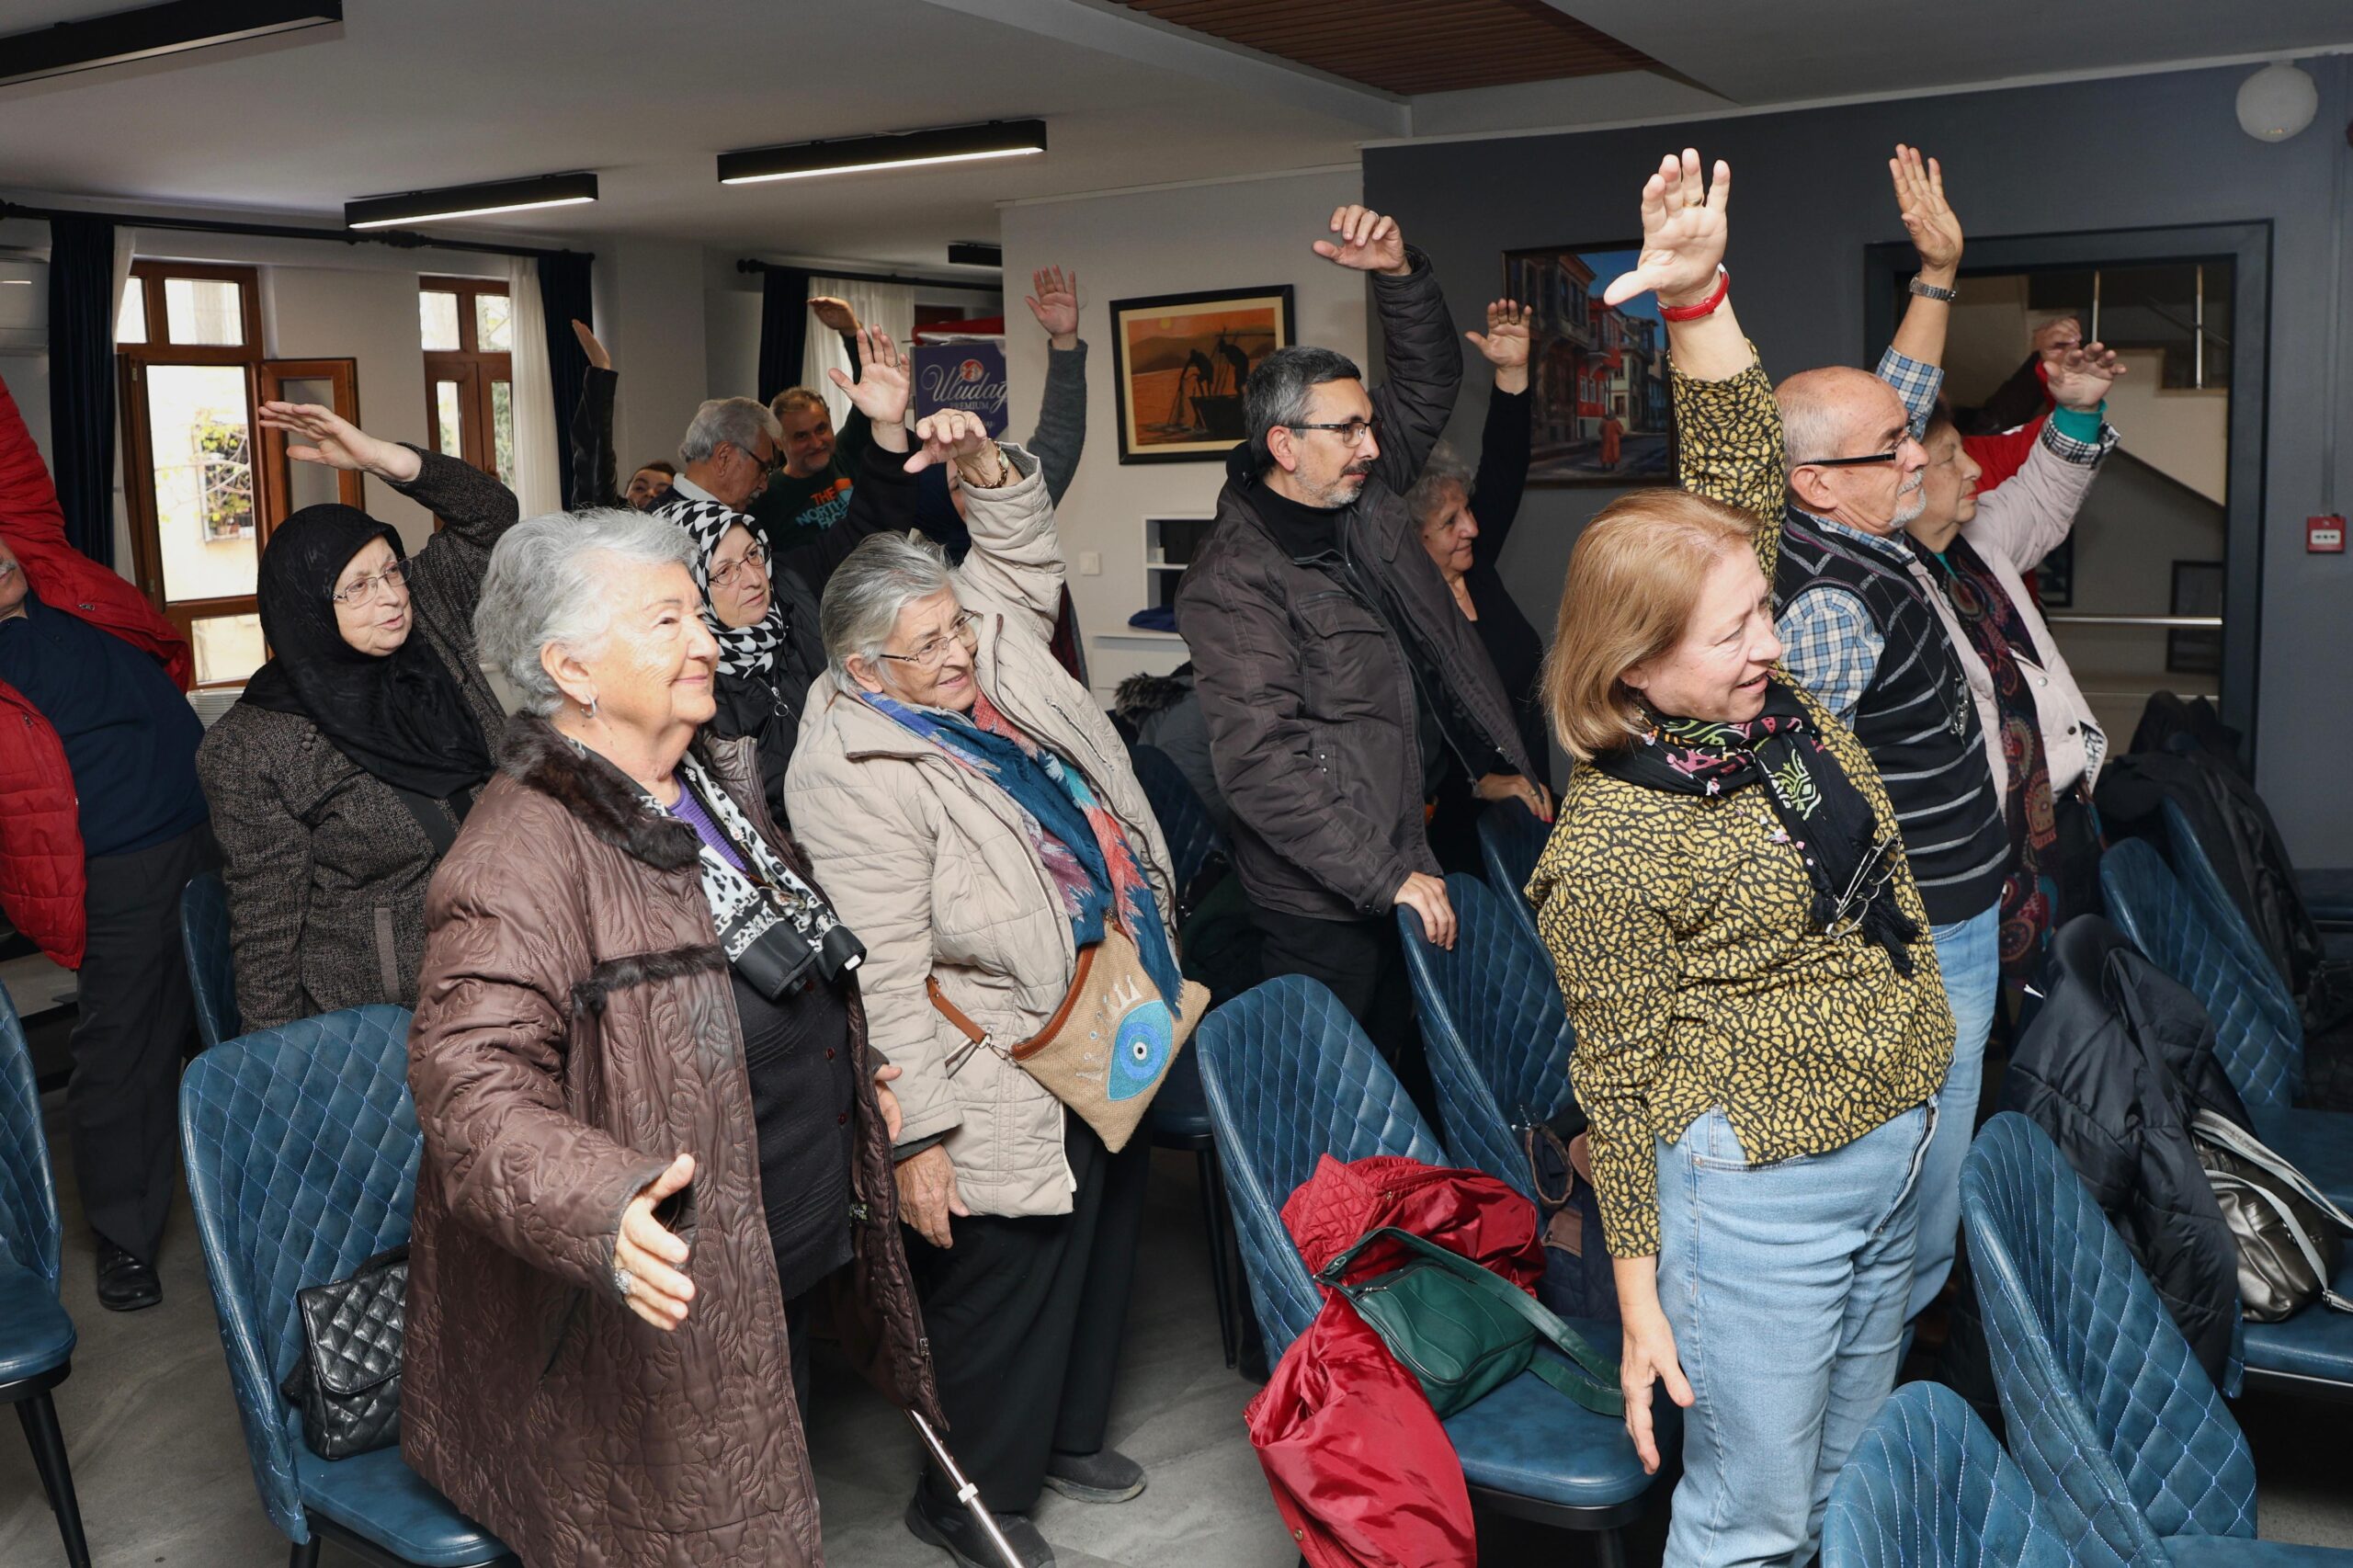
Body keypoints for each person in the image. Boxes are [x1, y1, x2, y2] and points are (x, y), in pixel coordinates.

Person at [1530, 147, 1952, 1568]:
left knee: (1847, 1480)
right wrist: (1644, 1297)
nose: (1775, 642)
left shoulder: (1768, 710)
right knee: (1750, 1522)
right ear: (1637, 664)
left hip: (1890, 1138)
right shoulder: (1610, 842)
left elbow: (1728, 469)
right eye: (1737, 631)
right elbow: (1621, 1078)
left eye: (1766, 607)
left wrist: (1698, 293)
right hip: (1761, 1193)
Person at [404, 506, 938, 1568]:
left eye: (697, 611)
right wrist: (600, 1200)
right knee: (693, 1523)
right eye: (666, 620)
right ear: (572, 668)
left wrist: (856, 1064)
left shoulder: (702, 785)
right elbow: (471, 1091)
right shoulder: (518, 850)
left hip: (768, 1233)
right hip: (660, 1274)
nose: (706, 638)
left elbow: (786, 954)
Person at [788, 412, 1181, 1568]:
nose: (962, 651)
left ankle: (1064, 1435)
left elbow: (1016, 556)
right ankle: (967, 1494)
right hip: (995, 1052)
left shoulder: (978, 652)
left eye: (959, 626)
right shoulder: (849, 764)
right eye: (931, 644)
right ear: (867, 671)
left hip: (1107, 1001)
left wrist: (991, 471)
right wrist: (922, 1138)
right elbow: (885, 970)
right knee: (1005, 1276)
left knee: (1102, 1224)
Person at [1670, 146, 2002, 1329]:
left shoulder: (1859, 515)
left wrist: (1937, 274)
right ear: (1811, 484)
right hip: (1923, 945)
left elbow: (1879, 406)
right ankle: (1884, 1416)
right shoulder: (1822, 602)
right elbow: (1793, 787)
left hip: (1960, 918)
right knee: (1917, 1198)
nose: (1922, 450)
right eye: (1896, 449)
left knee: (1931, 1177)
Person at [1176, 204, 1533, 1080]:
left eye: (1369, 425)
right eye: (1350, 431)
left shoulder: (1359, 499)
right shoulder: (1234, 580)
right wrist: (1383, 878)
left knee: (1428, 1079)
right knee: (1346, 1117)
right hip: (1327, 901)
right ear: (1283, 445)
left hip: (1411, 846)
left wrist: (1401, 277)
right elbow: (1261, 766)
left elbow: (1426, 385)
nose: (1375, 445)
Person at [197, 403, 516, 1033]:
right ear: (310, 607)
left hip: (520, 955)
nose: (392, 598)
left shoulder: (433, 625)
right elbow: (267, 930)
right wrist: (282, 1069)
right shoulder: (253, 747)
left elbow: (491, 518)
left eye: (390, 570)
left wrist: (382, 459)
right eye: (358, 587)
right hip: (393, 1020)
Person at [0, 370, 213, 1313]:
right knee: (124, 1048)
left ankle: (257, 1189)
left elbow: (14, 473)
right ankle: (126, 1239)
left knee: (236, 1019)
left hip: (211, 829)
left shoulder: (53, 578)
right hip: (119, 866)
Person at [1889, 324, 2122, 989]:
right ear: (1899, 476)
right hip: (1980, 857)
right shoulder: (1876, 585)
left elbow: (2046, 491)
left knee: (2076, 1007)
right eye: (1952, 457)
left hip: (2064, 817)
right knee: (1991, 1019)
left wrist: (2077, 408)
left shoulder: (1978, 535)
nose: (1972, 469)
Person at [653, 337, 918, 824]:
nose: (750, 577)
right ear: (728, 457)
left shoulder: (775, 568)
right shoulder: (649, 551)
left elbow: (856, 537)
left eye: (754, 557)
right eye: (765, 463)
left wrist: (886, 426)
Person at [1406, 296, 1554, 873]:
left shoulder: (1477, 567)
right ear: (1411, 542)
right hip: (1461, 834)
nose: (1471, 527)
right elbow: (1421, 730)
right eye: (1449, 523)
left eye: (1466, 510)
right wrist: (1480, 782)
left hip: (1529, 805)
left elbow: (1505, 468)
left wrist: (1512, 373)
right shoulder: (1407, 613)